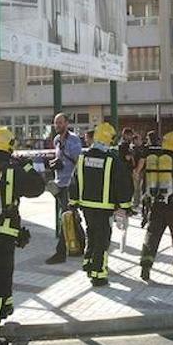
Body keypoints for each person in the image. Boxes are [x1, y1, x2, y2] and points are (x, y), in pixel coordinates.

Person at [0, 126, 45, 345]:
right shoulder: (14, 169)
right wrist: (25, 163)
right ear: (10, 145)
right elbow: (38, 187)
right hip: (3, 233)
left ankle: (5, 308)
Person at [68, 122, 133, 287]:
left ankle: (89, 263)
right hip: (104, 208)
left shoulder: (82, 158)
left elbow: (74, 182)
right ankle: (98, 274)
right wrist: (125, 206)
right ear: (109, 139)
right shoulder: (112, 160)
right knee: (102, 240)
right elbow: (123, 184)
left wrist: (73, 203)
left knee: (92, 234)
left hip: (86, 206)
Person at [139, 131, 173, 280]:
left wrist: (145, 205)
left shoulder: (154, 161)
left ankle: (145, 265)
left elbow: (145, 184)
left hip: (156, 205)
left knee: (152, 236)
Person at [46, 113, 84, 265]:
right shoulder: (56, 140)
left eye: (60, 123)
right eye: (56, 123)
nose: (57, 126)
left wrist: (63, 159)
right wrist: (56, 162)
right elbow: (61, 157)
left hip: (70, 184)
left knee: (65, 217)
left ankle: (60, 253)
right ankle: (82, 244)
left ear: (67, 123)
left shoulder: (73, 139)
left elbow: (77, 160)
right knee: (71, 216)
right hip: (59, 183)